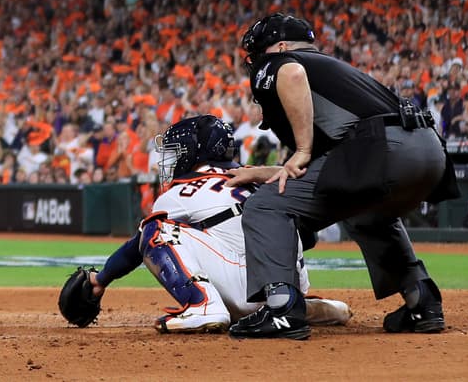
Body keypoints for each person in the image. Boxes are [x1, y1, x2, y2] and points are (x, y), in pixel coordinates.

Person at [228, 13, 457, 339]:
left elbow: (291, 75)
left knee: (266, 206)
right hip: (426, 149)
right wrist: (264, 171)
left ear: (279, 46)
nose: (255, 62)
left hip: (379, 150)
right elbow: (333, 161)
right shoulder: (335, 71)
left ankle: (282, 310)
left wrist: (303, 149)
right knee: (366, 213)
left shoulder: (284, 61)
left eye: (258, 53)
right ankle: (423, 301)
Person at [86, 115, 351, 333]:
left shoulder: (182, 189)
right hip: (283, 283)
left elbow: (138, 245)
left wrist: (101, 279)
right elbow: (309, 238)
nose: (173, 159)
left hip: (244, 289)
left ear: (194, 152)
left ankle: (203, 305)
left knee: (156, 229)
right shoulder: (260, 176)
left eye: (178, 151)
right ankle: (293, 303)